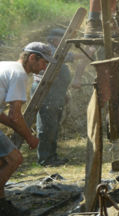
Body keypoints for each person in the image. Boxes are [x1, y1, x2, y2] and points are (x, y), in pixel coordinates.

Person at [0, 42, 55, 216]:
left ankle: (2, 206)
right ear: (32, 57)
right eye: (43, 62)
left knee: (2, 162)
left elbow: (5, 116)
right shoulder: (19, 74)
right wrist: (29, 137)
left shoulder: (6, 66)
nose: (44, 67)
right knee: (14, 159)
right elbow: (15, 114)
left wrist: (21, 130)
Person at [30, 29, 72, 166]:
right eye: (62, 40)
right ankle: (45, 159)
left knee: (53, 125)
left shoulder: (53, 50)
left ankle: (52, 156)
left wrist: (63, 93)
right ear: (55, 40)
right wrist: (87, 53)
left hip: (55, 92)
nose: (65, 43)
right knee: (46, 125)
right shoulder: (51, 51)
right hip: (46, 92)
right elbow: (67, 56)